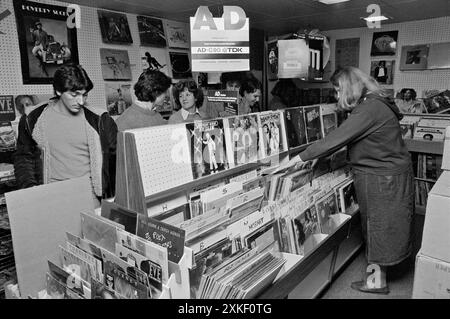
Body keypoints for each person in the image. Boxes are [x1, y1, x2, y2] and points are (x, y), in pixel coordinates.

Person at [286, 67, 414, 294]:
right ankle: (381, 275)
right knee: (384, 227)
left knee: (376, 228)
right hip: (388, 175)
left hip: (380, 179)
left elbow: (336, 138)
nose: (336, 96)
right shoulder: (376, 101)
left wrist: (298, 158)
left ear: (347, 86)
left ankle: (376, 283)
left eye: (337, 89)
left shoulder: (368, 108)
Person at [13, 64, 118, 207]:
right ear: (58, 91)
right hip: (49, 198)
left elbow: (115, 162)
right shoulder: (32, 118)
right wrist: (31, 190)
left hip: (90, 199)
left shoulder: (100, 120)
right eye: (74, 95)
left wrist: (111, 201)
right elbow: (24, 157)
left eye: (84, 94)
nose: (80, 101)